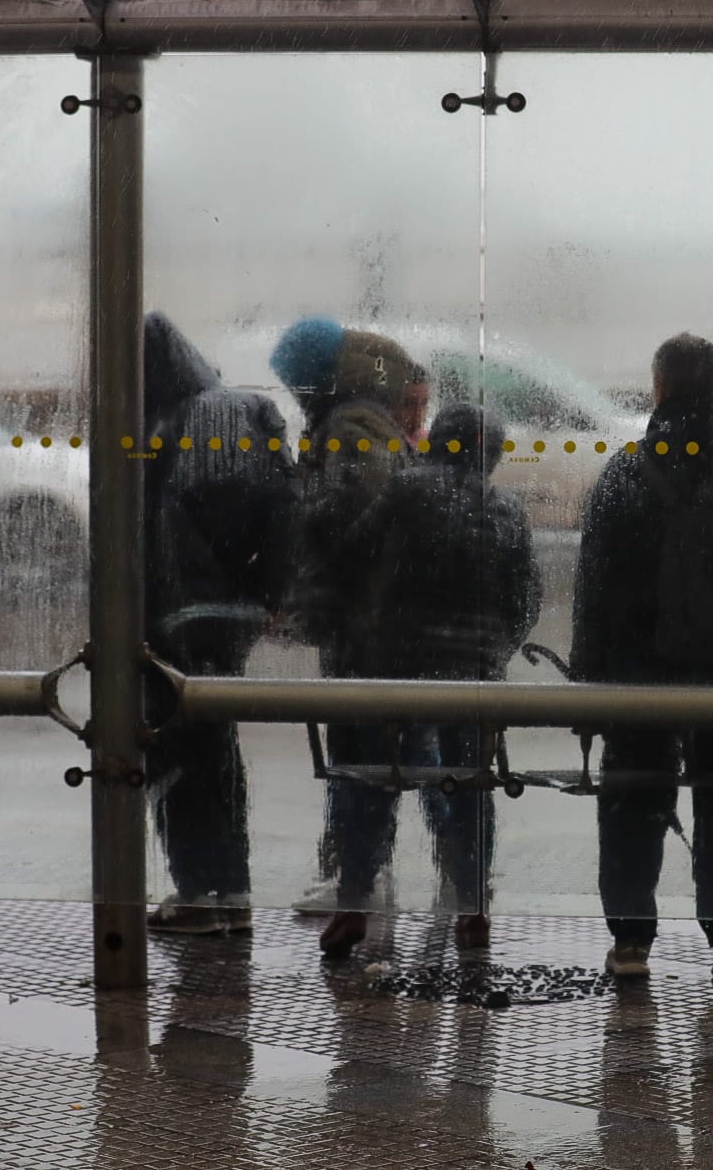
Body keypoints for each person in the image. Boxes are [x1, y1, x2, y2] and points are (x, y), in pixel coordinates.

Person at [574, 333, 713, 981]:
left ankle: (631, 943)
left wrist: (588, 682)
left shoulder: (624, 473)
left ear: (660, 386)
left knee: (631, 799)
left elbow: (594, 584)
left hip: (637, 671)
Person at [322, 403, 541, 955]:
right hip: (474, 678)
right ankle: (472, 906)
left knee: (376, 781)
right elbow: (525, 598)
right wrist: (495, 648)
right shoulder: (506, 508)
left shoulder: (404, 494)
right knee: (469, 786)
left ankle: (353, 904)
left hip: (398, 670)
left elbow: (350, 558)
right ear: (490, 452)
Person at [141, 314, 298, 935]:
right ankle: (231, 888)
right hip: (228, 612)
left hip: (171, 613)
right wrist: (269, 593)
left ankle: (198, 889)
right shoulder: (243, 410)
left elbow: (147, 533)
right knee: (216, 745)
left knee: (175, 748)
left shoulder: (161, 423)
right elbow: (287, 504)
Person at [283, 326, 423, 953]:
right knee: (363, 752)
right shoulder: (364, 425)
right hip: (370, 620)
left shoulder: (350, 430)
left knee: (357, 754)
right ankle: (358, 874)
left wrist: (305, 526)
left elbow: (349, 514)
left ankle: (358, 882)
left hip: (360, 624)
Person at [395, 363, 431, 445]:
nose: (418, 413)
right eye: (410, 404)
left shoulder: (429, 441)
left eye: (424, 404)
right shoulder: (381, 441)